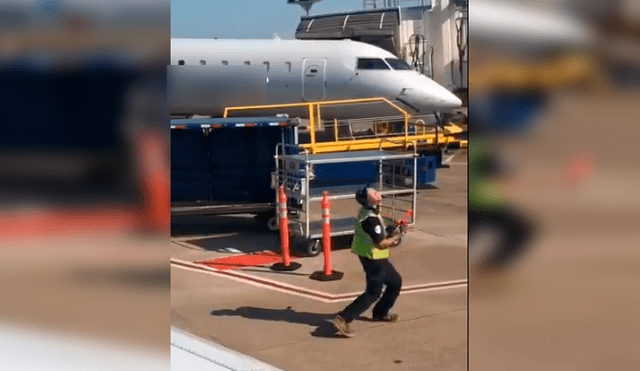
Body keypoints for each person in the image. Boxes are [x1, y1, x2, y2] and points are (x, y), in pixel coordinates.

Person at [330, 187, 403, 337]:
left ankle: (380, 313)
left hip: (375, 257)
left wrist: (390, 229)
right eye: (373, 193)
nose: (378, 194)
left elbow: (378, 232)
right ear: (368, 200)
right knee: (373, 292)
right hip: (372, 258)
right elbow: (381, 243)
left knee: (395, 282)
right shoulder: (370, 219)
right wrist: (397, 238)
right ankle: (343, 318)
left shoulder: (370, 212)